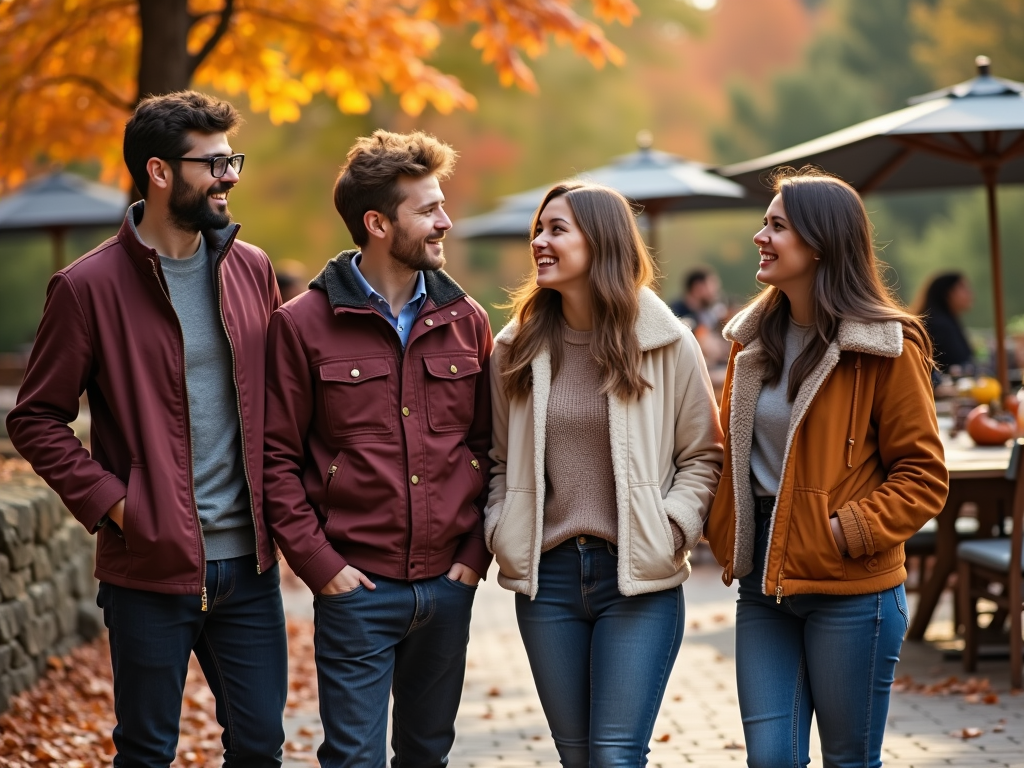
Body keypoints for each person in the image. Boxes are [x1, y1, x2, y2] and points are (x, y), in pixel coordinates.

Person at [6, 91, 287, 766]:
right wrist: (120, 507)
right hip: (149, 568)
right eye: (213, 163)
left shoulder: (253, 270)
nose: (230, 176)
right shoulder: (86, 288)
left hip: (250, 567)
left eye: (232, 160)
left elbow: (283, 400)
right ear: (160, 172)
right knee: (146, 751)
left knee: (260, 747)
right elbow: (36, 417)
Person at [262, 129, 493, 768]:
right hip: (355, 588)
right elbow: (274, 460)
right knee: (353, 759)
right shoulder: (300, 326)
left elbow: (490, 448)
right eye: (428, 210)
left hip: (448, 586)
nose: (445, 221)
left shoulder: (467, 320)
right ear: (378, 223)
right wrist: (321, 567)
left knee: (427, 755)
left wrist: (472, 559)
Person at [704, 167, 948, 768]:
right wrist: (721, 527)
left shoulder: (887, 346)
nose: (761, 237)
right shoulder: (751, 341)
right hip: (764, 585)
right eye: (764, 224)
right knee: (770, 759)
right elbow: (730, 455)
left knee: (849, 760)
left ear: (820, 243)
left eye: (777, 226)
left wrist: (846, 531)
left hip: (852, 591)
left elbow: (922, 475)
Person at [485, 182, 724, 767]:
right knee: (577, 757)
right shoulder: (513, 348)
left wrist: (673, 525)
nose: (539, 242)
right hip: (551, 584)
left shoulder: (667, 343)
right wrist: (501, 526)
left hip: (637, 580)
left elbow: (703, 455)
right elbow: (497, 459)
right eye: (538, 230)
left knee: (614, 757)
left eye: (556, 229)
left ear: (602, 241)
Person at [914, 271, 974, 373]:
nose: (970, 293)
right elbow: (955, 361)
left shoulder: (947, 320)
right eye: (963, 288)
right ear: (947, 293)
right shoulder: (939, 325)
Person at [670, 267, 722, 331]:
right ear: (698, 287)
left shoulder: (708, 312)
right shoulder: (675, 314)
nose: (715, 291)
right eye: (711, 285)